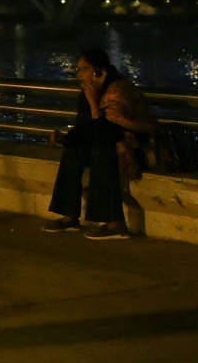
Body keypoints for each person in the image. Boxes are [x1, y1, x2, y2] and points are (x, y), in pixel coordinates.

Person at [44, 48, 155, 240]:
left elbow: (111, 132)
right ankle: (69, 216)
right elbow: (87, 127)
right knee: (72, 151)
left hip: (133, 148)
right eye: (77, 69)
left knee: (100, 153)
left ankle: (115, 223)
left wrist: (94, 104)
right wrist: (65, 138)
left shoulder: (117, 90)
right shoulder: (90, 90)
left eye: (83, 69)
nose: (79, 74)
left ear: (99, 70)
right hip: (109, 142)